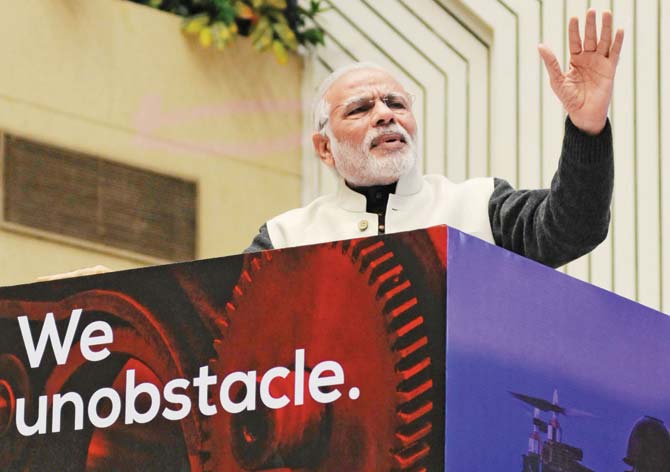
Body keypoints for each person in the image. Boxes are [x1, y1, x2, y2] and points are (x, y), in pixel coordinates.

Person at [245, 9, 624, 269]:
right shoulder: (285, 238)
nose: (385, 114)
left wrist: (586, 127)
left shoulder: (477, 206)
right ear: (324, 148)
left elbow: (574, 228)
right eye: (360, 108)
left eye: (396, 103)